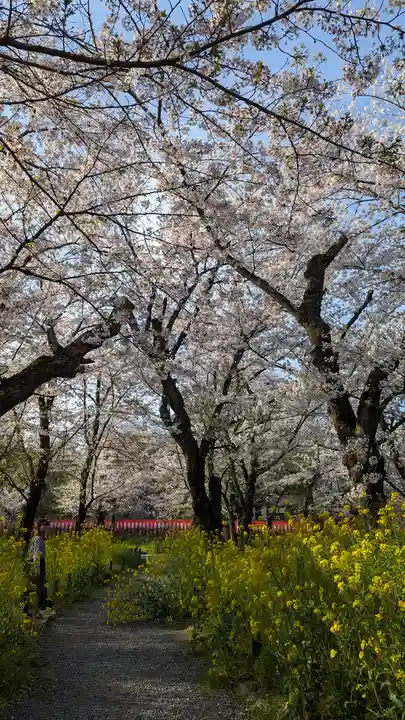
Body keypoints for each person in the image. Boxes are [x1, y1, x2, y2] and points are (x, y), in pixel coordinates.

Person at [27, 519, 55, 618]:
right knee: (41, 588)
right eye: (44, 525)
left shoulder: (37, 538)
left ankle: (38, 609)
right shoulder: (38, 539)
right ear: (39, 526)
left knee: (40, 588)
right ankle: (40, 610)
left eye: (47, 525)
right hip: (39, 563)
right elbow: (36, 554)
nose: (46, 527)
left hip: (38, 563)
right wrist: (36, 566)